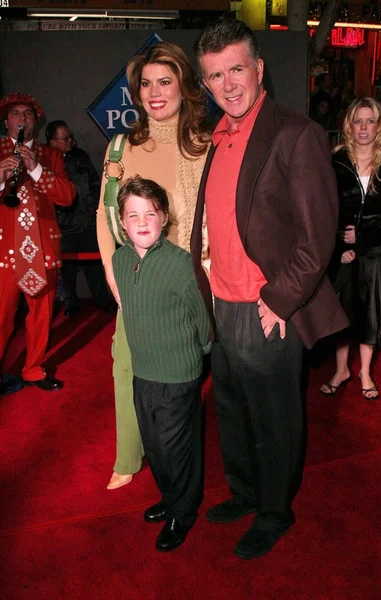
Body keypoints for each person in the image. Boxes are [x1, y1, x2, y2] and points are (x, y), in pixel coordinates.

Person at [191, 18, 348, 560]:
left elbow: (318, 234)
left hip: (266, 308)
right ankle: (245, 493)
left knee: (273, 421)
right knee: (231, 411)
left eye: (237, 69)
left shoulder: (293, 133)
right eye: (216, 75)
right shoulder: (218, 138)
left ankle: (275, 511)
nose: (228, 83)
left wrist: (280, 299)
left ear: (258, 69)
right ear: (206, 85)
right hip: (221, 302)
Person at [97, 42, 210, 490]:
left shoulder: (206, 145)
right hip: (138, 281)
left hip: (192, 281)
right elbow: (105, 220)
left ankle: (181, 472)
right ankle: (128, 454)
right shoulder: (121, 147)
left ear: (185, 86)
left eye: (165, 82)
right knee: (125, 365)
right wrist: (113, 275)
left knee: (184, 380)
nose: (155, 92)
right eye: (146, 84)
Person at [113, 175, 210, 552]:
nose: (141, 222)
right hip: (143, 373)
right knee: (154, 446)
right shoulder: (121, 261)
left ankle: (183, 513)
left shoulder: (180, 265)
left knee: (177, 448)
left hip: (178, 374)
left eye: (149, 213)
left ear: (164, 218)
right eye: (132, 215)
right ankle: (171, 497)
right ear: (121, 221)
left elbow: (201, 316)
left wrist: (200, 351)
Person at [320, 98, 381, 400]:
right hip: (343, 254)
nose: (364, 127)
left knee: (372, 314)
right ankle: (341, 369)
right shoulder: (335, 163)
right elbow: (326, 211)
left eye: (370, 121)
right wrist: (339, 246)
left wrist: (363, 237)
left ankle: (365, 371)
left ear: (379, 126)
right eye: (358, 121)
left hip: (377, 253)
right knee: (342, 314)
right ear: (349, 126)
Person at [0, 92, 76, 396]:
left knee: (41, 315)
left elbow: (68, 197)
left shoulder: (52, 155)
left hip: (42, 250)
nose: (22, 119)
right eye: (16, 114)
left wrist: (35, 169)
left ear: (36, 120)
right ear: (6, 121)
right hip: (3, 251)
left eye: (28, 114)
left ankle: (33, 369)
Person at [46, 120, 112, 316]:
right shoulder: (45, 161)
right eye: (65, 138)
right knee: (66, 269)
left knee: (95, 266)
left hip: (87, 222)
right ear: (52, 141)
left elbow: (94, 183)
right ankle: (70, 305)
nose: (70, 141)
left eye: (70, 136)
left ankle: (102, 301)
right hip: (63, 226)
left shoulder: (80, 156)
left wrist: (93, 210)